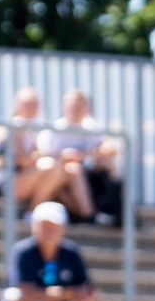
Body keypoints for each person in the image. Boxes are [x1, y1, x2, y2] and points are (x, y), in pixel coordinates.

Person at [0, 87, 93, 219]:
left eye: (35, 105)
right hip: (10, 182)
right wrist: (55, 156)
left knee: (67, 170)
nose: (32, 108)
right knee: (51, 166)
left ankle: (86, 214)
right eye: (28, 104)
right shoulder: (13, 127)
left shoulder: (30, 130)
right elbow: (22, 161)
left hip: (28, 178)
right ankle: (32, 213)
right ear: (18, 105)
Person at [37, 89, 124, 223]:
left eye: (80, 107)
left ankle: (111, 210)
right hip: (60, 176)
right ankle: (88, 214)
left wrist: (83, 155)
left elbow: (110, 148)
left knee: (108, 164)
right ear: (64, 107)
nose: (76, 111)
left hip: (89, 177)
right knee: (72, 171)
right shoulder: (54, 129)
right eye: (73, 107)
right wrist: (65, 158)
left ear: (87, 109)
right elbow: (43, 155)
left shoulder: (91, 127)